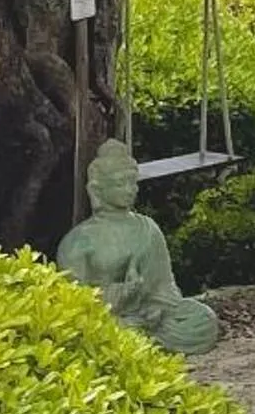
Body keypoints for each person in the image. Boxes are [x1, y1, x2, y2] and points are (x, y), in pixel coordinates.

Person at [56, 139, 222, 355]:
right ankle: (135, 337)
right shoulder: (79, 240)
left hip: (150, 316)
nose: (129, 190)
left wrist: (158, 309)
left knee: (204, 318)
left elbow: (165, 286)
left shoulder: (147, 227)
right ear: (97, 189)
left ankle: (142, 337)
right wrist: (120, 293)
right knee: (93, 328)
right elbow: (75, 300)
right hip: (110, 317)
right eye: (119, 184)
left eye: (132, 182)